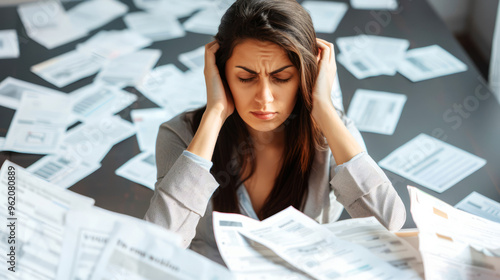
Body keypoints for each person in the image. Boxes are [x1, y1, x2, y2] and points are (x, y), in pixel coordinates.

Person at [145, 0, 406, 265]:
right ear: (221, 74)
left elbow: (390, 227)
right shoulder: (180, 135)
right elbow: (160, 243)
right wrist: (214, 114)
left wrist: (325, 109)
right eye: (246, 78)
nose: (264, 98)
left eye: (282, 78)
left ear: (307, 74)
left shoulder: (333, 134)